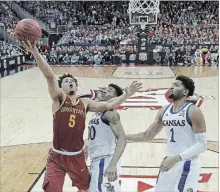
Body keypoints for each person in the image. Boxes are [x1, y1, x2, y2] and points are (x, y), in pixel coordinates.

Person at [20, 40, 142, 192]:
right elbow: (50, 76)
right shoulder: (59, 99)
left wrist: (126, 94)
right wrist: (35, 53)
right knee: (51, 189)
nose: (70, 82)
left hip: (77, 157)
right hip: (56, 156)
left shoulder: (85, 103)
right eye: (66, 81)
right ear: (61, 87)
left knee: (87, 188)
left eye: (72, 81)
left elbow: (108, 105)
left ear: (76, 86)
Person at [126, 75, 207, 192]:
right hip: (169, 161)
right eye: (172, 84)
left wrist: (176, 158)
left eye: (176, 85)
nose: (171, 87)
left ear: (185, 92)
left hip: (187, 163)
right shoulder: (164, 111)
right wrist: (122, 137)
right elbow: (147, 135)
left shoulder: (193, 111)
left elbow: (202, 145)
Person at [84, 84, 126, 192]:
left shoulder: (110, 113)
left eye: (110, 91)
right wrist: (87, 146)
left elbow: (122, 139)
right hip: (97, 160)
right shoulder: (98, 112)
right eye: (106, 89)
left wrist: (112, 164)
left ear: (115, 98)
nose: (104, 91)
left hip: (105, 160)